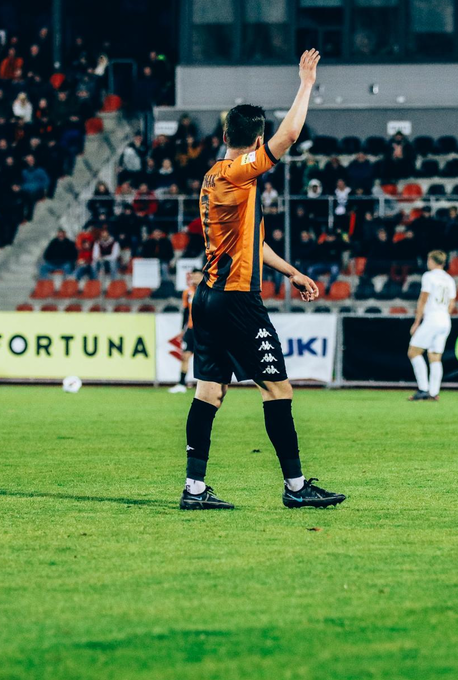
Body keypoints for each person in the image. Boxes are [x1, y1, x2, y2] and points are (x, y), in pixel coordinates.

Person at [180, 49, 344, 512]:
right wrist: (306, 83)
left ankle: (194, 490)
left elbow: (252, 244)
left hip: (207, 297)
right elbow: (288, 136)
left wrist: (292, 272)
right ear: (255, 140)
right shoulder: (237, 173)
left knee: (209, 392)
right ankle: (296, 487)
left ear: (224, 135)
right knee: (278, 389)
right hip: (236, 299)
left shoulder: (213, 177)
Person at [407, 250, 456, 402]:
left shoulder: (429, 276)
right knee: (435, 357)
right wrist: (444, 315)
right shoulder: (449, 279)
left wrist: (417, 322)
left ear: (433, 261)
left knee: (413, 352)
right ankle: (433, 392)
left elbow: (423, 299)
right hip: (445, 320)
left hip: (432, 318)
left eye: (429, 260)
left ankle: (423, 389)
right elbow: (452, 303)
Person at [170, 269, 203, 394]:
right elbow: (185, 311)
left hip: (204, 330)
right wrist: (182, 329)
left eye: (197, 276)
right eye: (193, 277)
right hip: (190, 329)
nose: (194, 279)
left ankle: (204, 385)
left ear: (202, 277)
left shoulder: (208, 291)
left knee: (204, 358)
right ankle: (181, 383)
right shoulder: (187, 292)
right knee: (185, 356)